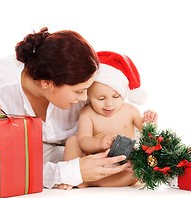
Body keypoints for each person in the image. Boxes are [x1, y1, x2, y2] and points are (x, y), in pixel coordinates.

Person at [0, 28, 129, 189]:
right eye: (79, 91)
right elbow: (0, 165)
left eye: (87, 89)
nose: (85, 98)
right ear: (47, 83)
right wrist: (68, 172)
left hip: (82, 151)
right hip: (28, 160)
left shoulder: (82, 80)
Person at [60, 51, 158, 190]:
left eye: (116, 96)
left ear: (123, 94)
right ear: (88, 95)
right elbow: (84, 141)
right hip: (93, 165)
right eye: (101, 98)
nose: (109, 104)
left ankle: (89, 182)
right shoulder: (87, 113)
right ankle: (71, 176)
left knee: (137, 171)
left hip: (121, 166)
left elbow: (147, 133)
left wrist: (149, 122)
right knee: (73, 141)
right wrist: (100, 143)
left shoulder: (130, 110)